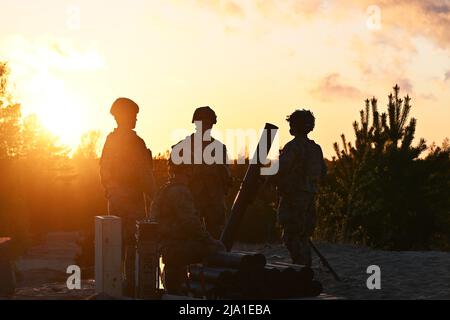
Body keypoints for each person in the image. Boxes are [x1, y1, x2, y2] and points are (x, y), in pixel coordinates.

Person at [99, 97, 156, 296]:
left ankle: (116, 287)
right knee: (132, 244)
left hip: (117, 200)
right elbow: (144, 174)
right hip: (130, 201)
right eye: (134, 116)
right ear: (125, 116)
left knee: (116, 244)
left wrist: (111, 192)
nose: (136, 120)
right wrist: (156, 196)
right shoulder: (134, 142)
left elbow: (104, 170)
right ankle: (129, 286)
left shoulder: (111, 140)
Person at [150, 158, 225, 294]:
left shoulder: (164, 190)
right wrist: (212, 242)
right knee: (215, 249)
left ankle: (182, 288)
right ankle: (208, 291)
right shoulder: (180, 192)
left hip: (167, 249)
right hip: (176, 249)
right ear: (188, 170)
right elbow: (191, 224)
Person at [275, 109, 327, 267]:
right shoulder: (315, 148)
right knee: (303, 236)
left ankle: (300, 268)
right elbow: (323, 172)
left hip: (294, 197)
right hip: (309, 196)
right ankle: (306, 268)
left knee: (291, 236)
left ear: (295, 126)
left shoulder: (293, 147)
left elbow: (281, 168)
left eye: (291, 124)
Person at [174, 106, 232, 239]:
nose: (206, 126)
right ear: (196, 123)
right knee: (189, 236)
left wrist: (215, 171)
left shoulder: (219, 148)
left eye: (208, 123)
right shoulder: (183, 147)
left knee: (216, 237)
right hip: (191, 200)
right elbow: (174, 174)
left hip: (214, 202)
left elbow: (226, 176)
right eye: (203, 122)